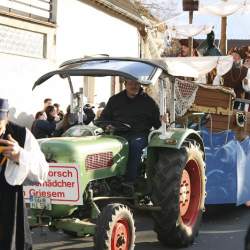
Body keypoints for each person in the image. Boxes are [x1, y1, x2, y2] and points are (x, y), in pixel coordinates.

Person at [0, 98, 48, 250]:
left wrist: (20, 155)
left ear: (6, 118)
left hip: (8, 211)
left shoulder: (21, 135)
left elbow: (43, 172)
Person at [97, 78, 161, 184]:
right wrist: (106, 125)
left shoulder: (149, 102)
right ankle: (103, 179)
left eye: (136, 84)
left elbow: (157, 123)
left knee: (134, 145)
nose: (134, 86)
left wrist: (163, 122)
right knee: (102, 145)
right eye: (131, 83)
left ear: (140, 85)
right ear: (125, 84)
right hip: (117, 133)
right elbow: (103, 118)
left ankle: (130, 179)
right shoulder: (115, 100)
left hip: (139, 134)